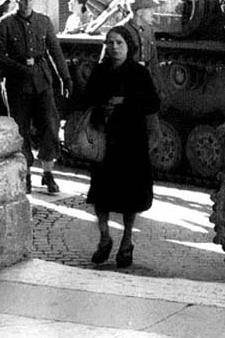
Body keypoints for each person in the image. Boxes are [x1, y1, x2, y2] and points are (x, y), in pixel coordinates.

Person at [83, 23, 160, 268]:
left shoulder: (139, 73)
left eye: (119, 43)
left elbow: (153, 104)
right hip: (105, 140)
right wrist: (101, 105)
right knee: (101, 194)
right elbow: (85, 98)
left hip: (131, 141)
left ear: (129, 46)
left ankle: (127, 242)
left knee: (130, 196)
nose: (114, 47)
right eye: (110, 42)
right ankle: (104, 238)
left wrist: (125, 103)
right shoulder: (99, 71)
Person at [0, 0, 72, 194]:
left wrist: (65, 78)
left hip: (42, 82)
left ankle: (48, 172)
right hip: (17, 85)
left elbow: (56, 52)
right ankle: (25, 175)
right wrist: (18, 67)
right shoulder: (5, 24)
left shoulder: (43, 22)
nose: (26, 3)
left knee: (51, 127)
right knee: (22, 130)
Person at [122, 0, 160, 84]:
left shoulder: (148, 30)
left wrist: (160, 89)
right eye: (150, 9)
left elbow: (153, 63)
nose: (153, 12)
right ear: (139, 12)